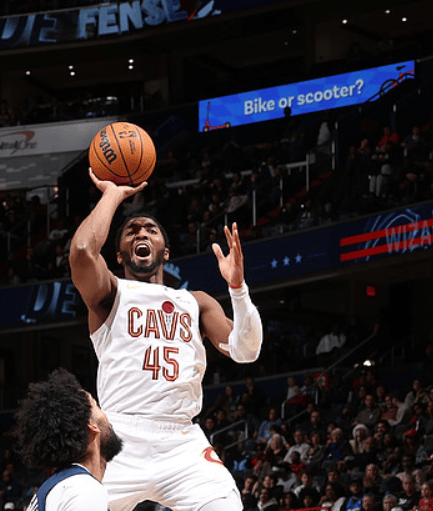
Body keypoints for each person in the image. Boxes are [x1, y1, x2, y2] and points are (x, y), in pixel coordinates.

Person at [68, 170, 264, 511]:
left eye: (150, 229)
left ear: (166, 251)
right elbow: (83, 251)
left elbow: (247, 351)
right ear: (119, 256)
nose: (141, 233)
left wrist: (238, 288)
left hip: (181, 441)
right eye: (131, 231)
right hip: (120, 437)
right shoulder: (110, 292)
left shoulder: (196, 302)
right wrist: (113, 194)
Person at [16, 367, 123, 511]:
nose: (105, 415)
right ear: (91, 425)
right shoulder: (83, 490)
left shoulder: (62, 487)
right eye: (97, 406)